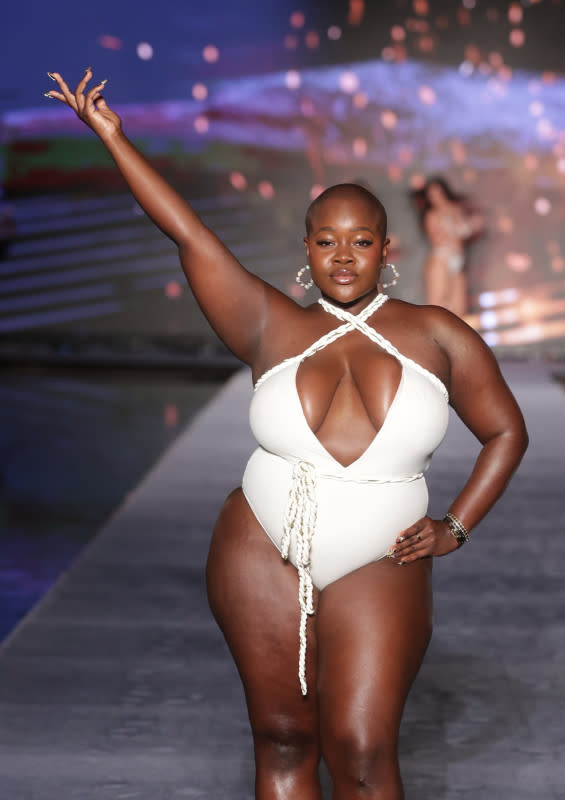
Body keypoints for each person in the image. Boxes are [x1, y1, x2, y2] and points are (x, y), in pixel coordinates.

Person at [45, 70, 528, 800]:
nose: (341, 256)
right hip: (260, 543)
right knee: (282, 740)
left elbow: (505, 433)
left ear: (384, 247)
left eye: (359, 241)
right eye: (326, 240)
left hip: (382, 550)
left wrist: (455, 527)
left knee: (362, 750)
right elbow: (187, 230)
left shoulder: (436, 333)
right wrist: (114, 136)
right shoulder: (270, 323)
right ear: (305, 246)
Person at [416, 177, 483, 317]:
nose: (436, 197)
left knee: (460, 308)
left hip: (457, 260)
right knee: (437, 305)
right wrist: (457, 230)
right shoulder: (432, 215)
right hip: (442, 259)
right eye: (431, 195)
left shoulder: (456, 209)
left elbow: (466, 231)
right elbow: (437, 240)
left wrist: (470, 227)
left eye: (438, 192)